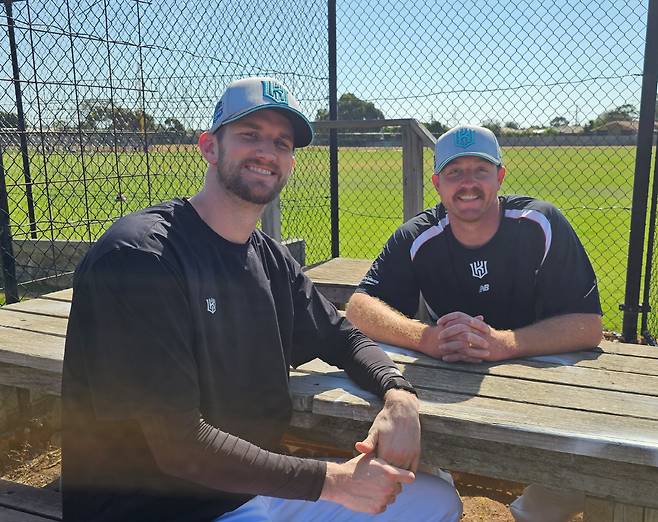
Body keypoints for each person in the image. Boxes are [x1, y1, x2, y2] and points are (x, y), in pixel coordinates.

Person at [61, 77, 462, 522]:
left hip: (251, 488)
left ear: (289, 162)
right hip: (160, 507)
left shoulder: (269, 258)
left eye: (281, 143)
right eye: (249, 135)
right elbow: (178, 445)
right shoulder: (141, 258)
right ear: (210, 147)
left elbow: (343, 337)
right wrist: (335, 482)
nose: (266, 152)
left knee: (437, 502)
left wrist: (398, 394)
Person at [346, 124, 603, 522]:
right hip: (448, 381)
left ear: (500, 176)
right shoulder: (420, 235)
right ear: (437, 183)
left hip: (538, 381)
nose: (468, 183)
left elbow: (588, 326)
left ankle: (529, 513)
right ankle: (438, 500)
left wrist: (505, 343)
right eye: (455, 172)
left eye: (480, 170)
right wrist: (426, 337)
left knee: (593, 459)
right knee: (404, 442)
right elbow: (359, 307)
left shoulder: (540, 222)